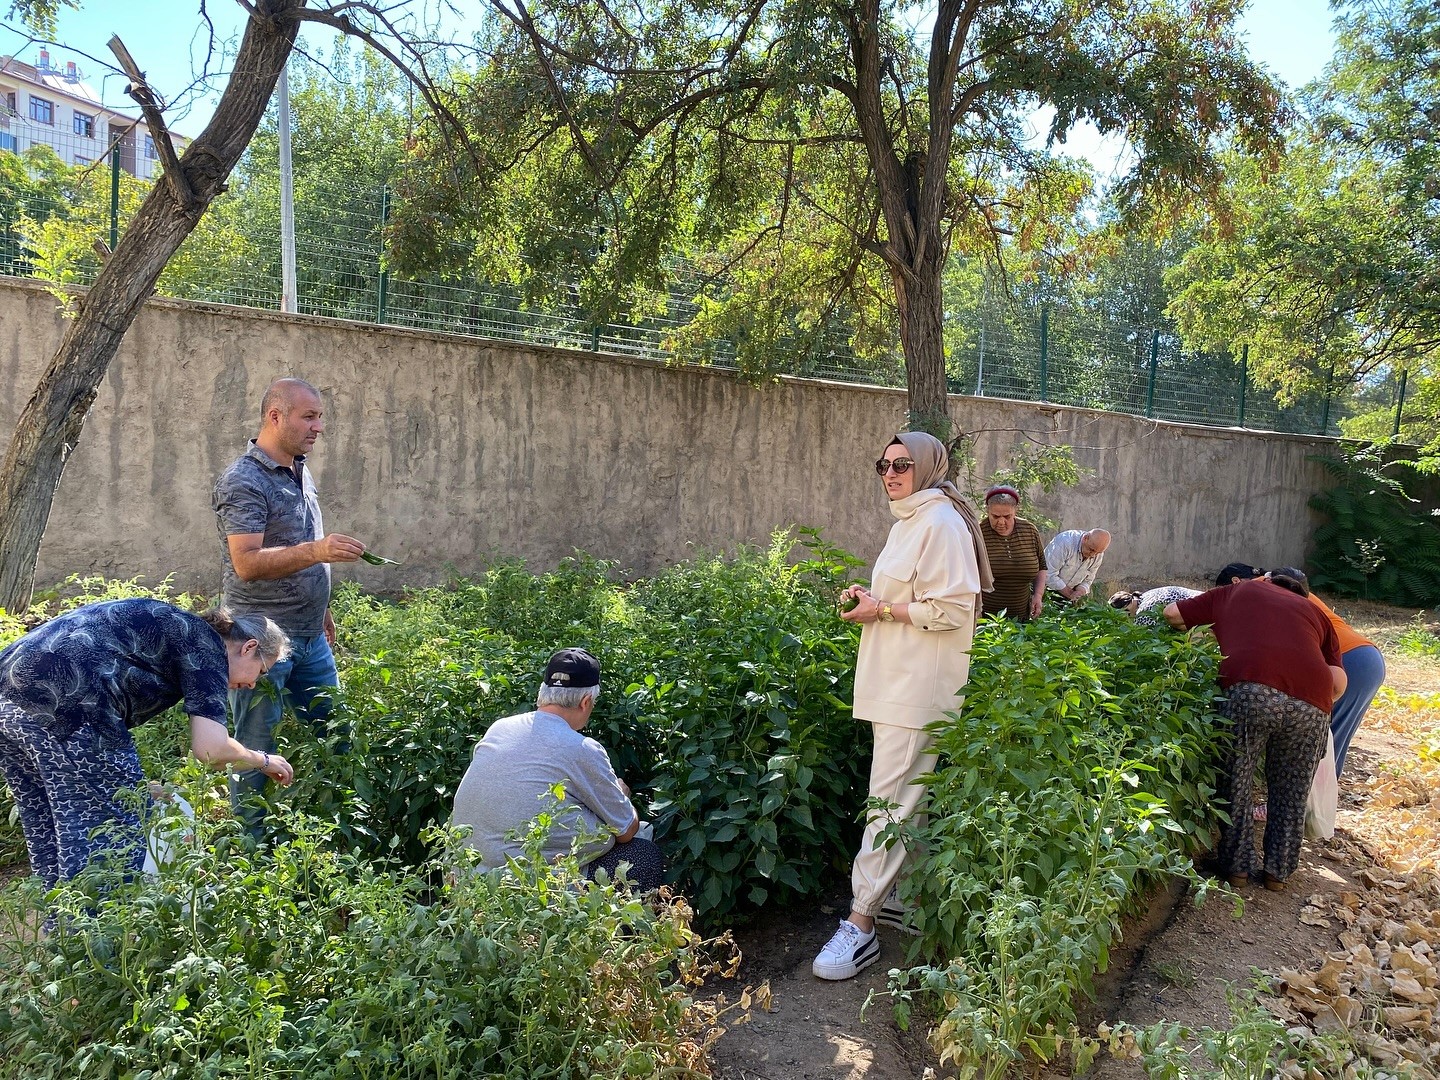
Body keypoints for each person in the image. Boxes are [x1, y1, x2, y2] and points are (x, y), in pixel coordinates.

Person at [816, 431, 989, 981]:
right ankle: (904, 900)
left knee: (888, 801)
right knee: (907, 797)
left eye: (902, 464)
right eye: (883, 465)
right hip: (897, 683)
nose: (890, 474)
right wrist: (874, 604)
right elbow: (908, 599)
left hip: (916, 689)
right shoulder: (910, 521)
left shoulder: (940, 523)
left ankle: (861, 922)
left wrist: (883, 611)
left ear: (929, 467)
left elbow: (952, 609)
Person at [0, 599, 294, 888]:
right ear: (249, 647)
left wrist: (133, 783)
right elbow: (211, 750)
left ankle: (57, 915)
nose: (252, 684)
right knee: (111, 838)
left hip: (8, 697)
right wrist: (263, 760)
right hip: (67, 706)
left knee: (49, 827)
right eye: (261, 672)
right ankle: (100, 918)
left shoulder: (179, 626)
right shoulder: (209, 649)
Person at [213, 378, 365, 829]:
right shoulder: (243, 480)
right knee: (255, 745)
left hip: (309, 633)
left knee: (337, 734)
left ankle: (342, 828)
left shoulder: (300, 469)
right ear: (275, 417)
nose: (319, 427)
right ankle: (249, 841)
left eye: (320, 417)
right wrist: (318, 552)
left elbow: (295, 542)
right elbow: (246, 563)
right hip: (259, 643)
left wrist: (321, 605)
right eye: (309, 416)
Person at [1163, 573, 1346, 891]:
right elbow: (1338, 683)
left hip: (1252, 689)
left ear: (1266, 580)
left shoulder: (1238, 590)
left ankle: (1237, 868)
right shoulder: (1316, 613)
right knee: (1292, 790)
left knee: (1236, 777)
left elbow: (1172, 614)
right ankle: (1278, 873)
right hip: (1312, 702)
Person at [450, 647, 664, 889]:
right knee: (643, 854)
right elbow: (626, 829)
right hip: (532, 888)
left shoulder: (500, 728)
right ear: (586, 702)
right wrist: (622, 795)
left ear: (542, 693)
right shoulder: (582, 748)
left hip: (469, 877)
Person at [1269, 567, 1386, 778]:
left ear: (1235, 580)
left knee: (1314, 741)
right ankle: (1323, 796)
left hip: (1345, 661)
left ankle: (1306, 795)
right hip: (1369, 658)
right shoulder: (1289, 584)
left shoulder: (1258, 589)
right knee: (1333, 741)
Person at [978, 485, 1047, 622]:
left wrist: (1038, 595)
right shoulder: (978, 534)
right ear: (987, 511)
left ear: (1016, 511)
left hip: (1022, 617)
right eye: (995, 516)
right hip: (986, 620)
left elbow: (1042, 566)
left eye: (1007, 516)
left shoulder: (1029, 530)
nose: (1001, 522)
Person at [1045, 528, 1111, 602]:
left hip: (1069, 594)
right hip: (1045, 589)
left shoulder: (1097, 552)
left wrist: (1080, 592)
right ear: (1085, 538)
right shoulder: (1065, 542)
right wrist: (1070, 594)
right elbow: (1048, 573)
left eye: (1098, 553)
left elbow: (1088, 580)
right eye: (1091, 550)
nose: (1093, 555)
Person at [1110, 585, 1200, 628]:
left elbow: (1149, 637)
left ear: (1125, 609)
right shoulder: (1146, 596)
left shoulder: (1142, 613)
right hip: (1204, 600)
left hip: (1201, 611)